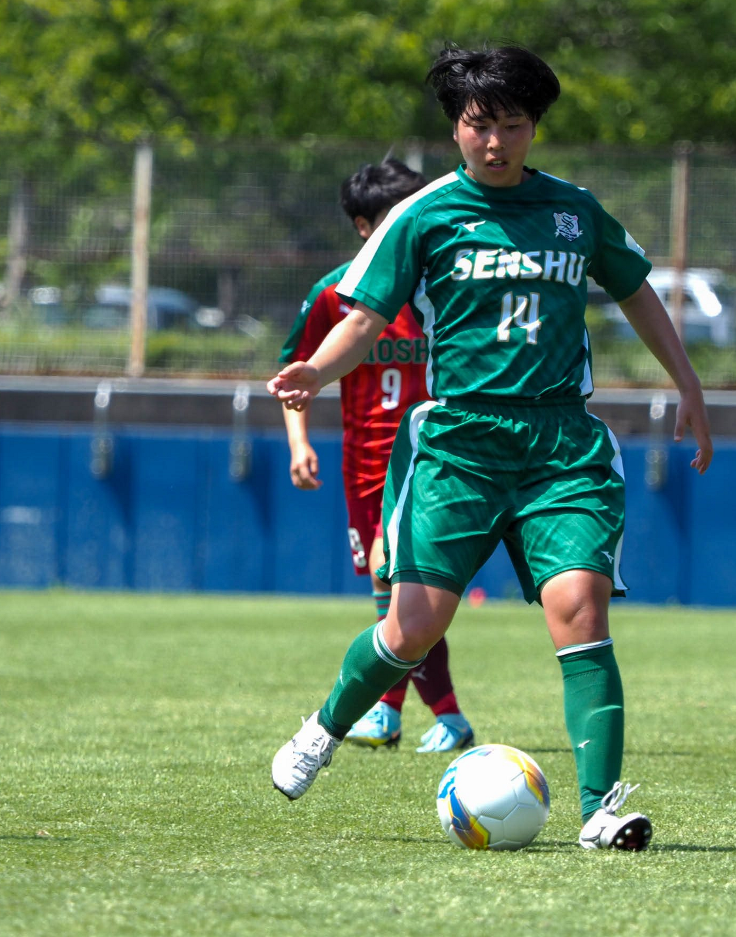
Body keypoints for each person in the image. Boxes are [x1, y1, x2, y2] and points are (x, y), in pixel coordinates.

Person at [267, 44, 713, 851]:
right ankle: (325, 728)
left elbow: (636, 291)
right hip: (461, 445)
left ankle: (601, 810)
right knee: (412, 629)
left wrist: (687, 382)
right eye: (481, 125)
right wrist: (317, 372)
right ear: (456, 129)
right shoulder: (424, 214)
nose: (496, 141)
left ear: (535, 126)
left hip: (561, 446)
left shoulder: (574, 211)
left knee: (580, 609)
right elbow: (364, 318)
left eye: (513, 124)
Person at [278, 159, 475, 754]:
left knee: (404, 585)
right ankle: (395, 712)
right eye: (394, 213)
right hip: (366, 467)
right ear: (364, 226)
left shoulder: (446, 283)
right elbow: (296, 374)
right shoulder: (336, 295)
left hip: (438, 459)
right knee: (391, 592)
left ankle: (439, 714)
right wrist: (299, 442)